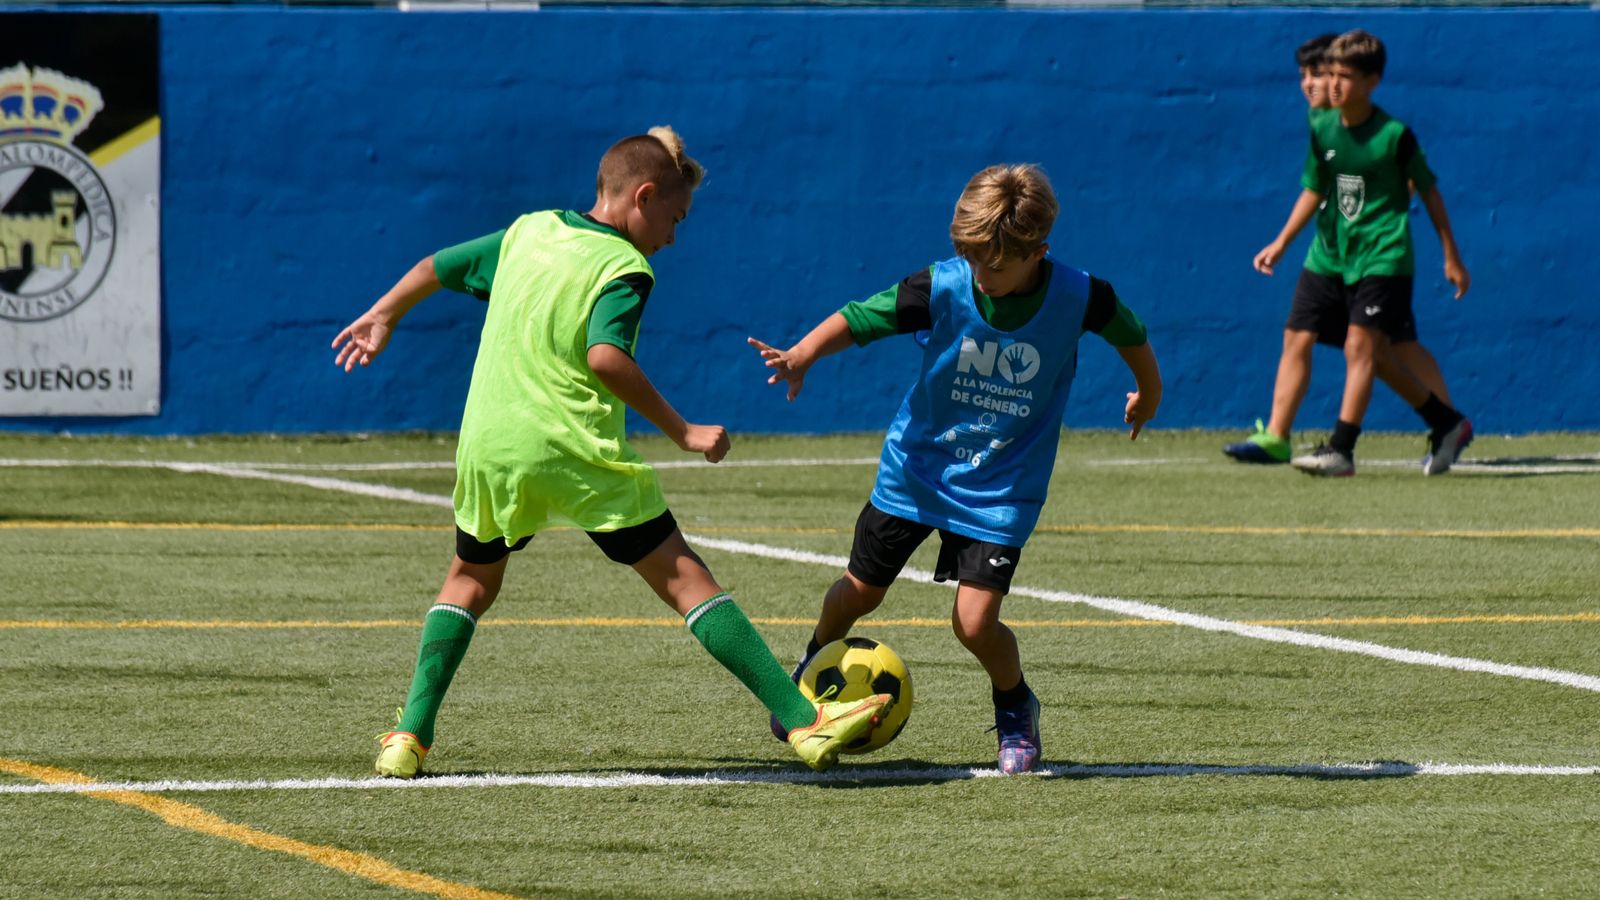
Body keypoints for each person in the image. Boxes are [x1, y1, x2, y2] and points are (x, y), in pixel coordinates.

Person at [332, 127, 889, 778]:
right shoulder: (625, 266)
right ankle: (804, 722)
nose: (673, 238)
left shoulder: (529, 231)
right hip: (573, 451)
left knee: (470, 581)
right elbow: (604, 356)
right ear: (643, 196)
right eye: (675, 218)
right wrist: (683, 431)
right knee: (686, 580)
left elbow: (437, 267)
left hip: (489, 446)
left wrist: (384, 314)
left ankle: (408, 736)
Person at [747, 164, 1161, 774]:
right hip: (917, 470)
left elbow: (1132, 333)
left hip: (1003, 486)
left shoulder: (1080, 296)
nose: (979, 275)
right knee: (859, 591)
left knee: (973, 623)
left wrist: (1148, 392)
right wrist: (803, 353)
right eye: (970, 259)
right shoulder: (942, 285)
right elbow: (862, 318)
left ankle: (1015, 705)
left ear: (1038, 253)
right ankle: (808, 674)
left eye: (994, 266)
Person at [1225, 32, 1466, 470]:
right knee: (1319, 340)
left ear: (1372, 81)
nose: (1330, 84)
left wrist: (1451, 255)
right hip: (1329, 257)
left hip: (1381, 256)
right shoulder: (1322, 126)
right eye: (1328, 74)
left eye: (1342, 76)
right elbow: (1315, 186)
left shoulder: (1394, 135)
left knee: (1367, 349)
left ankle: (1341, 448)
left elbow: (1428, 190)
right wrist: (1281, 243)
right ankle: (1445, 422)